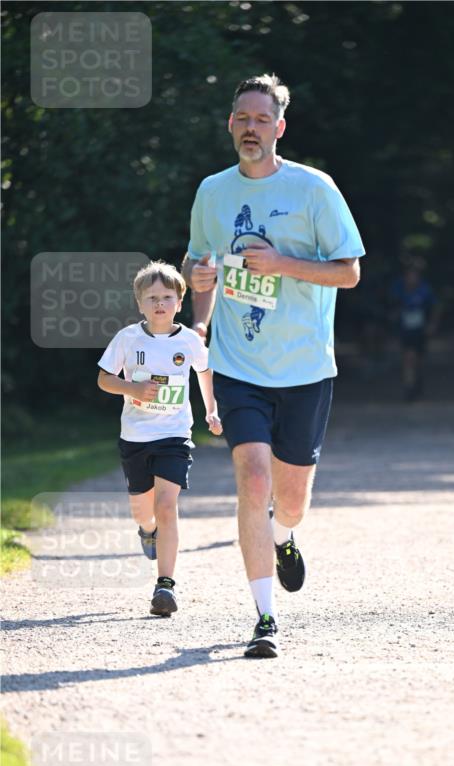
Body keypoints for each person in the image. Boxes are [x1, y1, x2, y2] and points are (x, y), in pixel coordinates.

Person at [181, 73, 364, 658]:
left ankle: (285, 535)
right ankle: (264, 617)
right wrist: (199, 292)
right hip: (239, 363)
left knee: (289, 500)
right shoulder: (212, 191)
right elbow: (197, 260)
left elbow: (348, 271)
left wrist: (282, 263)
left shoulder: (315, 190)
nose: (251, 128)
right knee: (252, 478)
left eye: (262, 119)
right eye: (242, 118)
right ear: (230, 124)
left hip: (305, 367)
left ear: (280, 128)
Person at [97, 261, 222, 617]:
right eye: (151, 298)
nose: (159, 304)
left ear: (180, 302)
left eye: (167, 297)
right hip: (135, 436)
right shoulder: (127, 338)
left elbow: (205, 372)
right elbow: (104, 379)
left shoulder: (189, 341)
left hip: (174, 434)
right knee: (144, 509)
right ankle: (147, 530)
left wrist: (211, 410)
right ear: (140, 304)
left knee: (167, 505)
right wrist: (131, 387)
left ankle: (165, 585)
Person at [390, 262, 436, 402]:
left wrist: (432, 324)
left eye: (414, 275)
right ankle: (409, 387)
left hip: (420, 330)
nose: (411, 278)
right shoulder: (399, 289)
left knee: (418, 360)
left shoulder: (424, 290)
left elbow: (435, 307)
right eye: (409, 275)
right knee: (408, 358)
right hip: (406, 330)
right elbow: (393, 306)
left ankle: (417, 381)